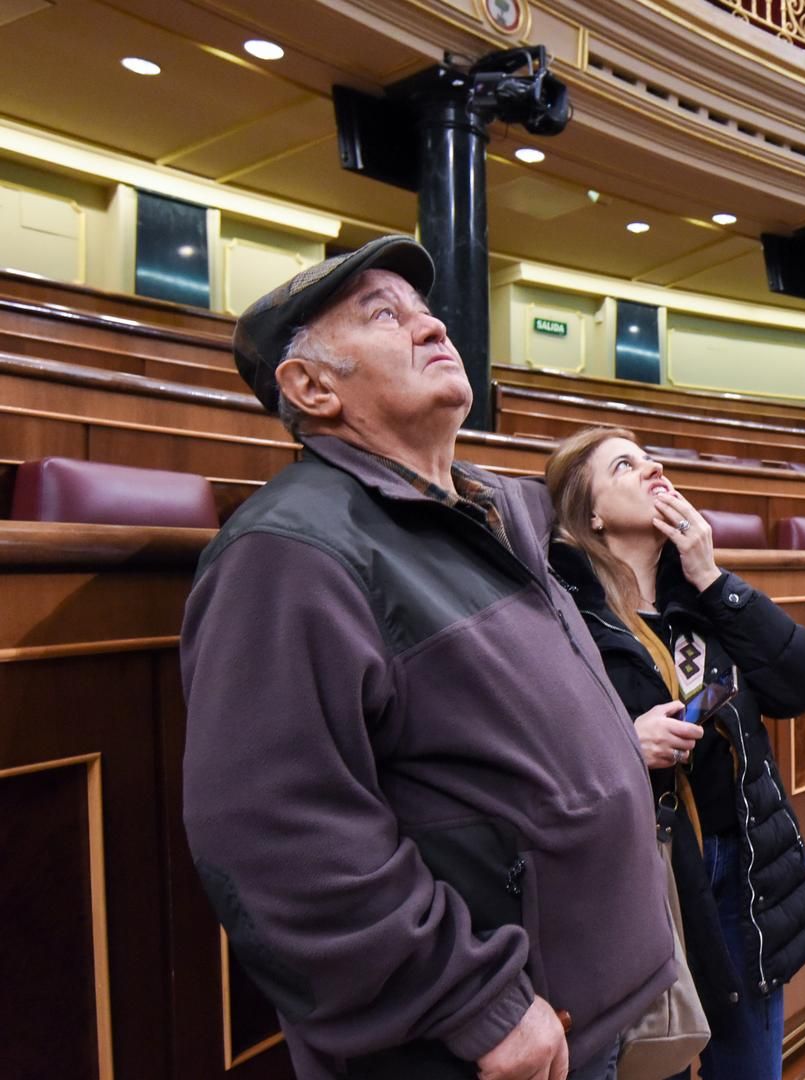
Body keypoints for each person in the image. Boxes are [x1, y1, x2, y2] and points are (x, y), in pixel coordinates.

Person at [180, 237, 674, 1080]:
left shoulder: (494, 513)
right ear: (312, 388)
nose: (433, 325)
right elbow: (278, 838)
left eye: (425, 309)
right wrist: (477, 1005)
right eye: (384, 315)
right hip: (487, 1044)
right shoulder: (290, 553)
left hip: (587, 1009)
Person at [545, 427, 805, 1080]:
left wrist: (710, 575)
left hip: (743, 871)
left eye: (651, 458)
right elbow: (533, 749)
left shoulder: (703, 594)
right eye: (625, 465)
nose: (653, 467)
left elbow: (801, 683)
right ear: (590, 513)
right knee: (658, 1063)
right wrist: (625, 744)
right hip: (645, 881)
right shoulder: (563, 612)